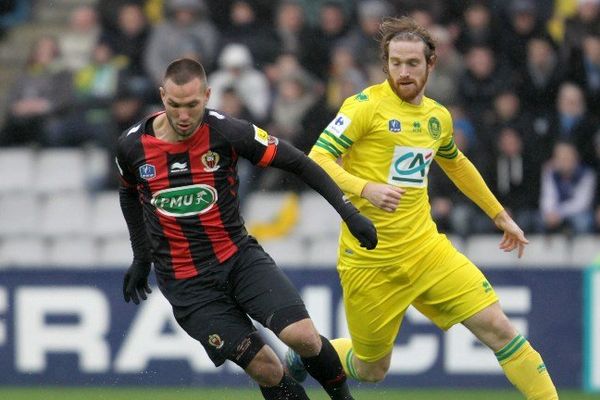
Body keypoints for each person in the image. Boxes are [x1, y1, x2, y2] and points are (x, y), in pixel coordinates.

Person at [285, 16, 558, 399]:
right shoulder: (364, 106)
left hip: (426, 251)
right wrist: (366, 188)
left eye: (412, 63)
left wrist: (500, 215)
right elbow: (318, 158)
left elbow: (456, 163)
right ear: (386, 64)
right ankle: (311, 349)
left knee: (499, 328)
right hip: (371, 260)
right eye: (395, 63)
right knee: (371, 368)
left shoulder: (437, 117)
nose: (403, 71)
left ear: (431, 63)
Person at [115, 58, 377, 400]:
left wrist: (349, 212)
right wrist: (141, 256)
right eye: (174, 105)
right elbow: (128, 193)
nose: (183, 115)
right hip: (188, 285)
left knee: (304, 338)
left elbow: (297, 161)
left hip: (239, 259)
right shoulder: (132, 146)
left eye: (192, 105)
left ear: (208, 95)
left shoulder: (228, 132)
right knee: (267, 368)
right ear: (162, 96)